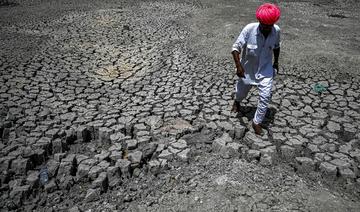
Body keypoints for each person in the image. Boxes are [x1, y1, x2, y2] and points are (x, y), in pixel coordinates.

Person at [231, 3, 281, 135]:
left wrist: (276, 63)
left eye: (269, 25)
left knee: (265, 96)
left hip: (265, 70)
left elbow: (276, 47)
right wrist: (238, 66)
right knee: (241, 92)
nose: (266, 28)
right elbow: (235, 48)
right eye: (264, 25)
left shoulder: (276, 31)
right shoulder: (249, 29)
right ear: (259, 21)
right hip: (248, 69)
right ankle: (237, 102)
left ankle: (256, 122)